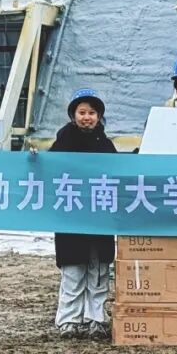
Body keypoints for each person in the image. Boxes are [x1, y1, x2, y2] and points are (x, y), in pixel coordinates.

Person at [50, 88, 117, 339]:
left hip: (99, 221)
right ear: (73, 115)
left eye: (91, 113)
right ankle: (68, 321)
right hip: (72, 221)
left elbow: (119, 173)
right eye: (82, 112)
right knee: (73, 273)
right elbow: (48, 170)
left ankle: (96, 319)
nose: (86, 117)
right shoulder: (62, 144)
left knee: (98, 273)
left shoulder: (106, 145)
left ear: (98, 116)